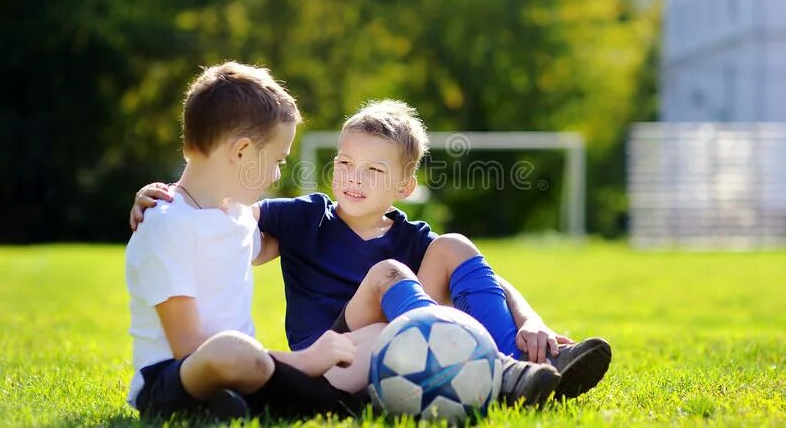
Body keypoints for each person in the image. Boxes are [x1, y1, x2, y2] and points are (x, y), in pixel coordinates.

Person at [132, 100, 610, 404]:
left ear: (405, 184)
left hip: (391, 348)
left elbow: (488, 280)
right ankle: (502, 373)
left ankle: (525, 368)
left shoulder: (410, 237)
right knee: (389, 273)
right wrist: (163, 194)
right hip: (329, 359)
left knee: (454, 247)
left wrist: (530, 320)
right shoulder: (303, 217)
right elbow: (225, 214)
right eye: (344, 163)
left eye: (373, 171)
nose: (353, 178)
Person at [125, 64, 443, 421]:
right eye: (277, 160)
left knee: (379, 335)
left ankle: (357, 398)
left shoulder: (238, 217)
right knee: (232, 351)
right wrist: (303, 360)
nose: (278, 174)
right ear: (242, 151)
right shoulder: (166, 225)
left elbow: (275, 244)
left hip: (249, 372)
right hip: (175, 378)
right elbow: (189, 348)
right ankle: (310, 392)